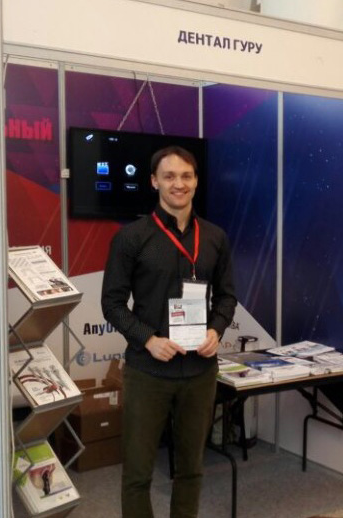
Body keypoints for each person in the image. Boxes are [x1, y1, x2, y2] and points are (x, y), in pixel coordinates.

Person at [101, 146, 237, 518]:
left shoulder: (215, 237)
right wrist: (148, 339)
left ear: (196, 181)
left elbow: (227, 296)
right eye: (170, 176)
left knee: (192, 469)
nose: (179, 184)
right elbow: (112, 303)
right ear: (154, 181)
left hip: (199, 371)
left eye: (186, 176)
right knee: (138, 473)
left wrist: (216, 330)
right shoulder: (132, 238)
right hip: (149, 371)